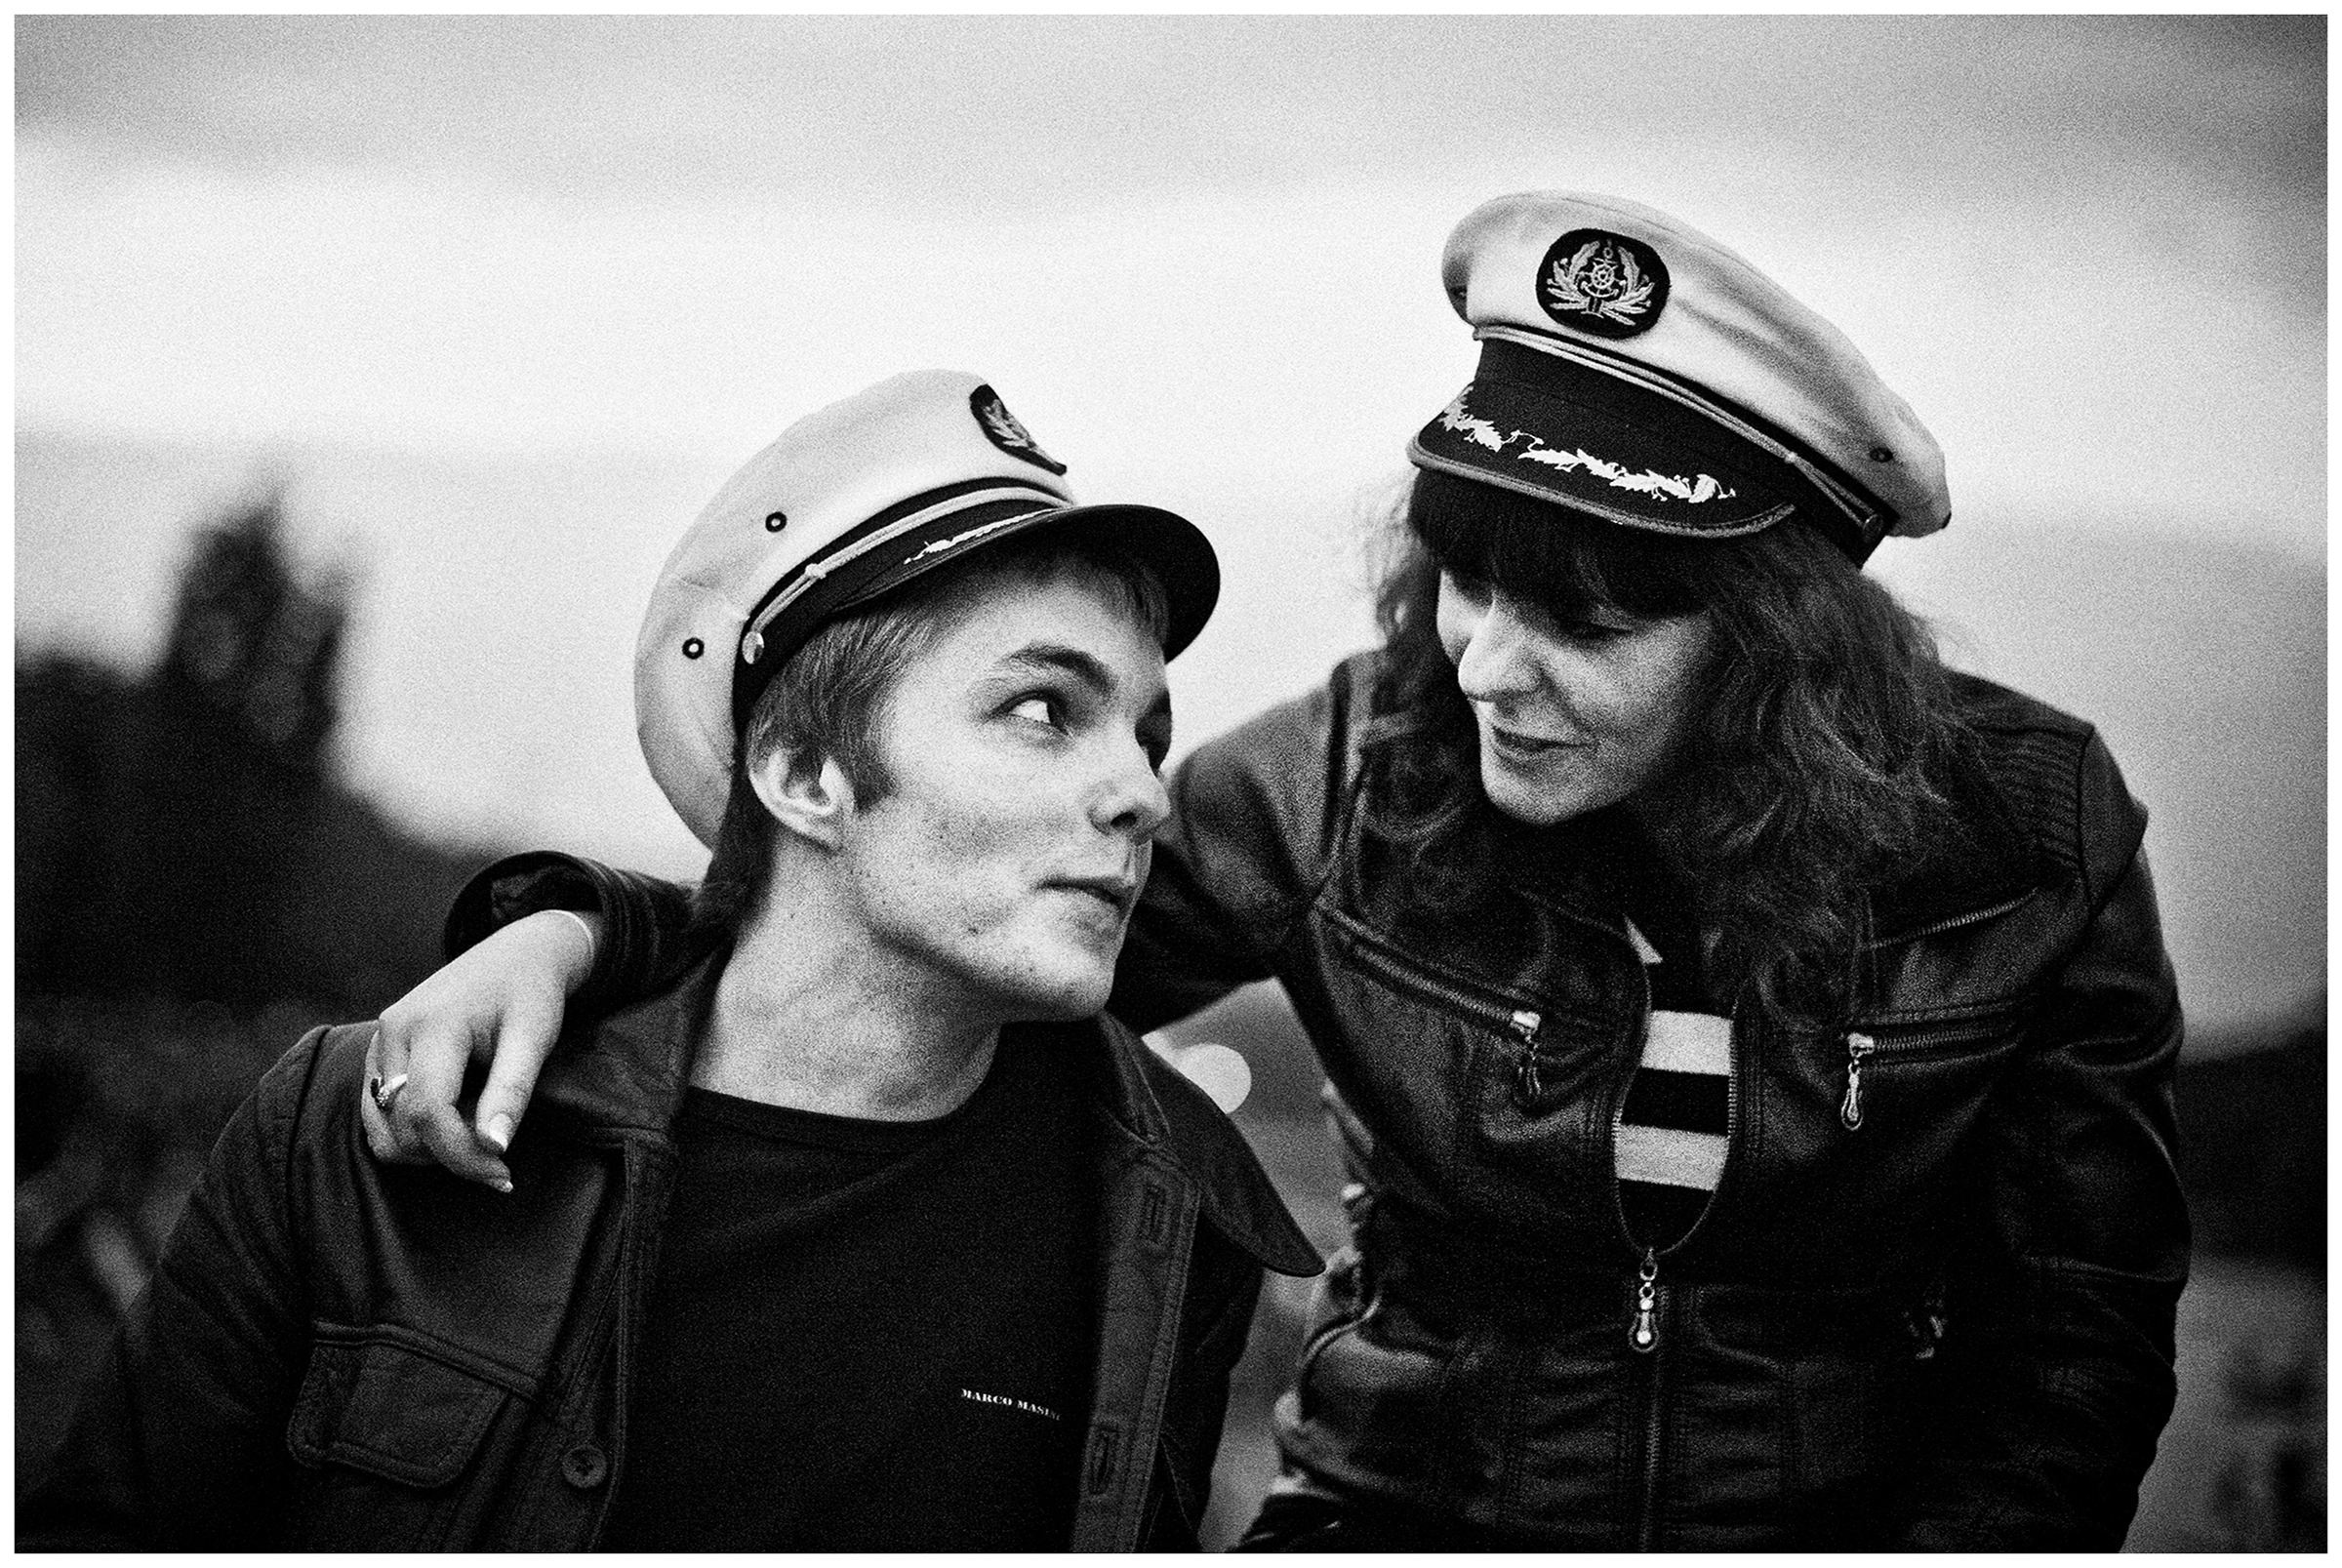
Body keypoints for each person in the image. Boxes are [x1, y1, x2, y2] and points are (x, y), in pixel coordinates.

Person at [359, 193, 2190, 1549]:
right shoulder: (1353, 776)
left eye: (1585, 615)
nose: (1484, 664)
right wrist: (572, 935)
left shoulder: (2029, 839)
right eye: (1466, 582)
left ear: (1775, 639)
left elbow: (2078, 1345)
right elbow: (927, 924)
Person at [22, 371, 1318, 1551]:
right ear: (805, 774)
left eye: (1147, 733)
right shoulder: (359, 1133)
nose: (1145, 793)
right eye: (1046, 711)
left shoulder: (1173, 1226)